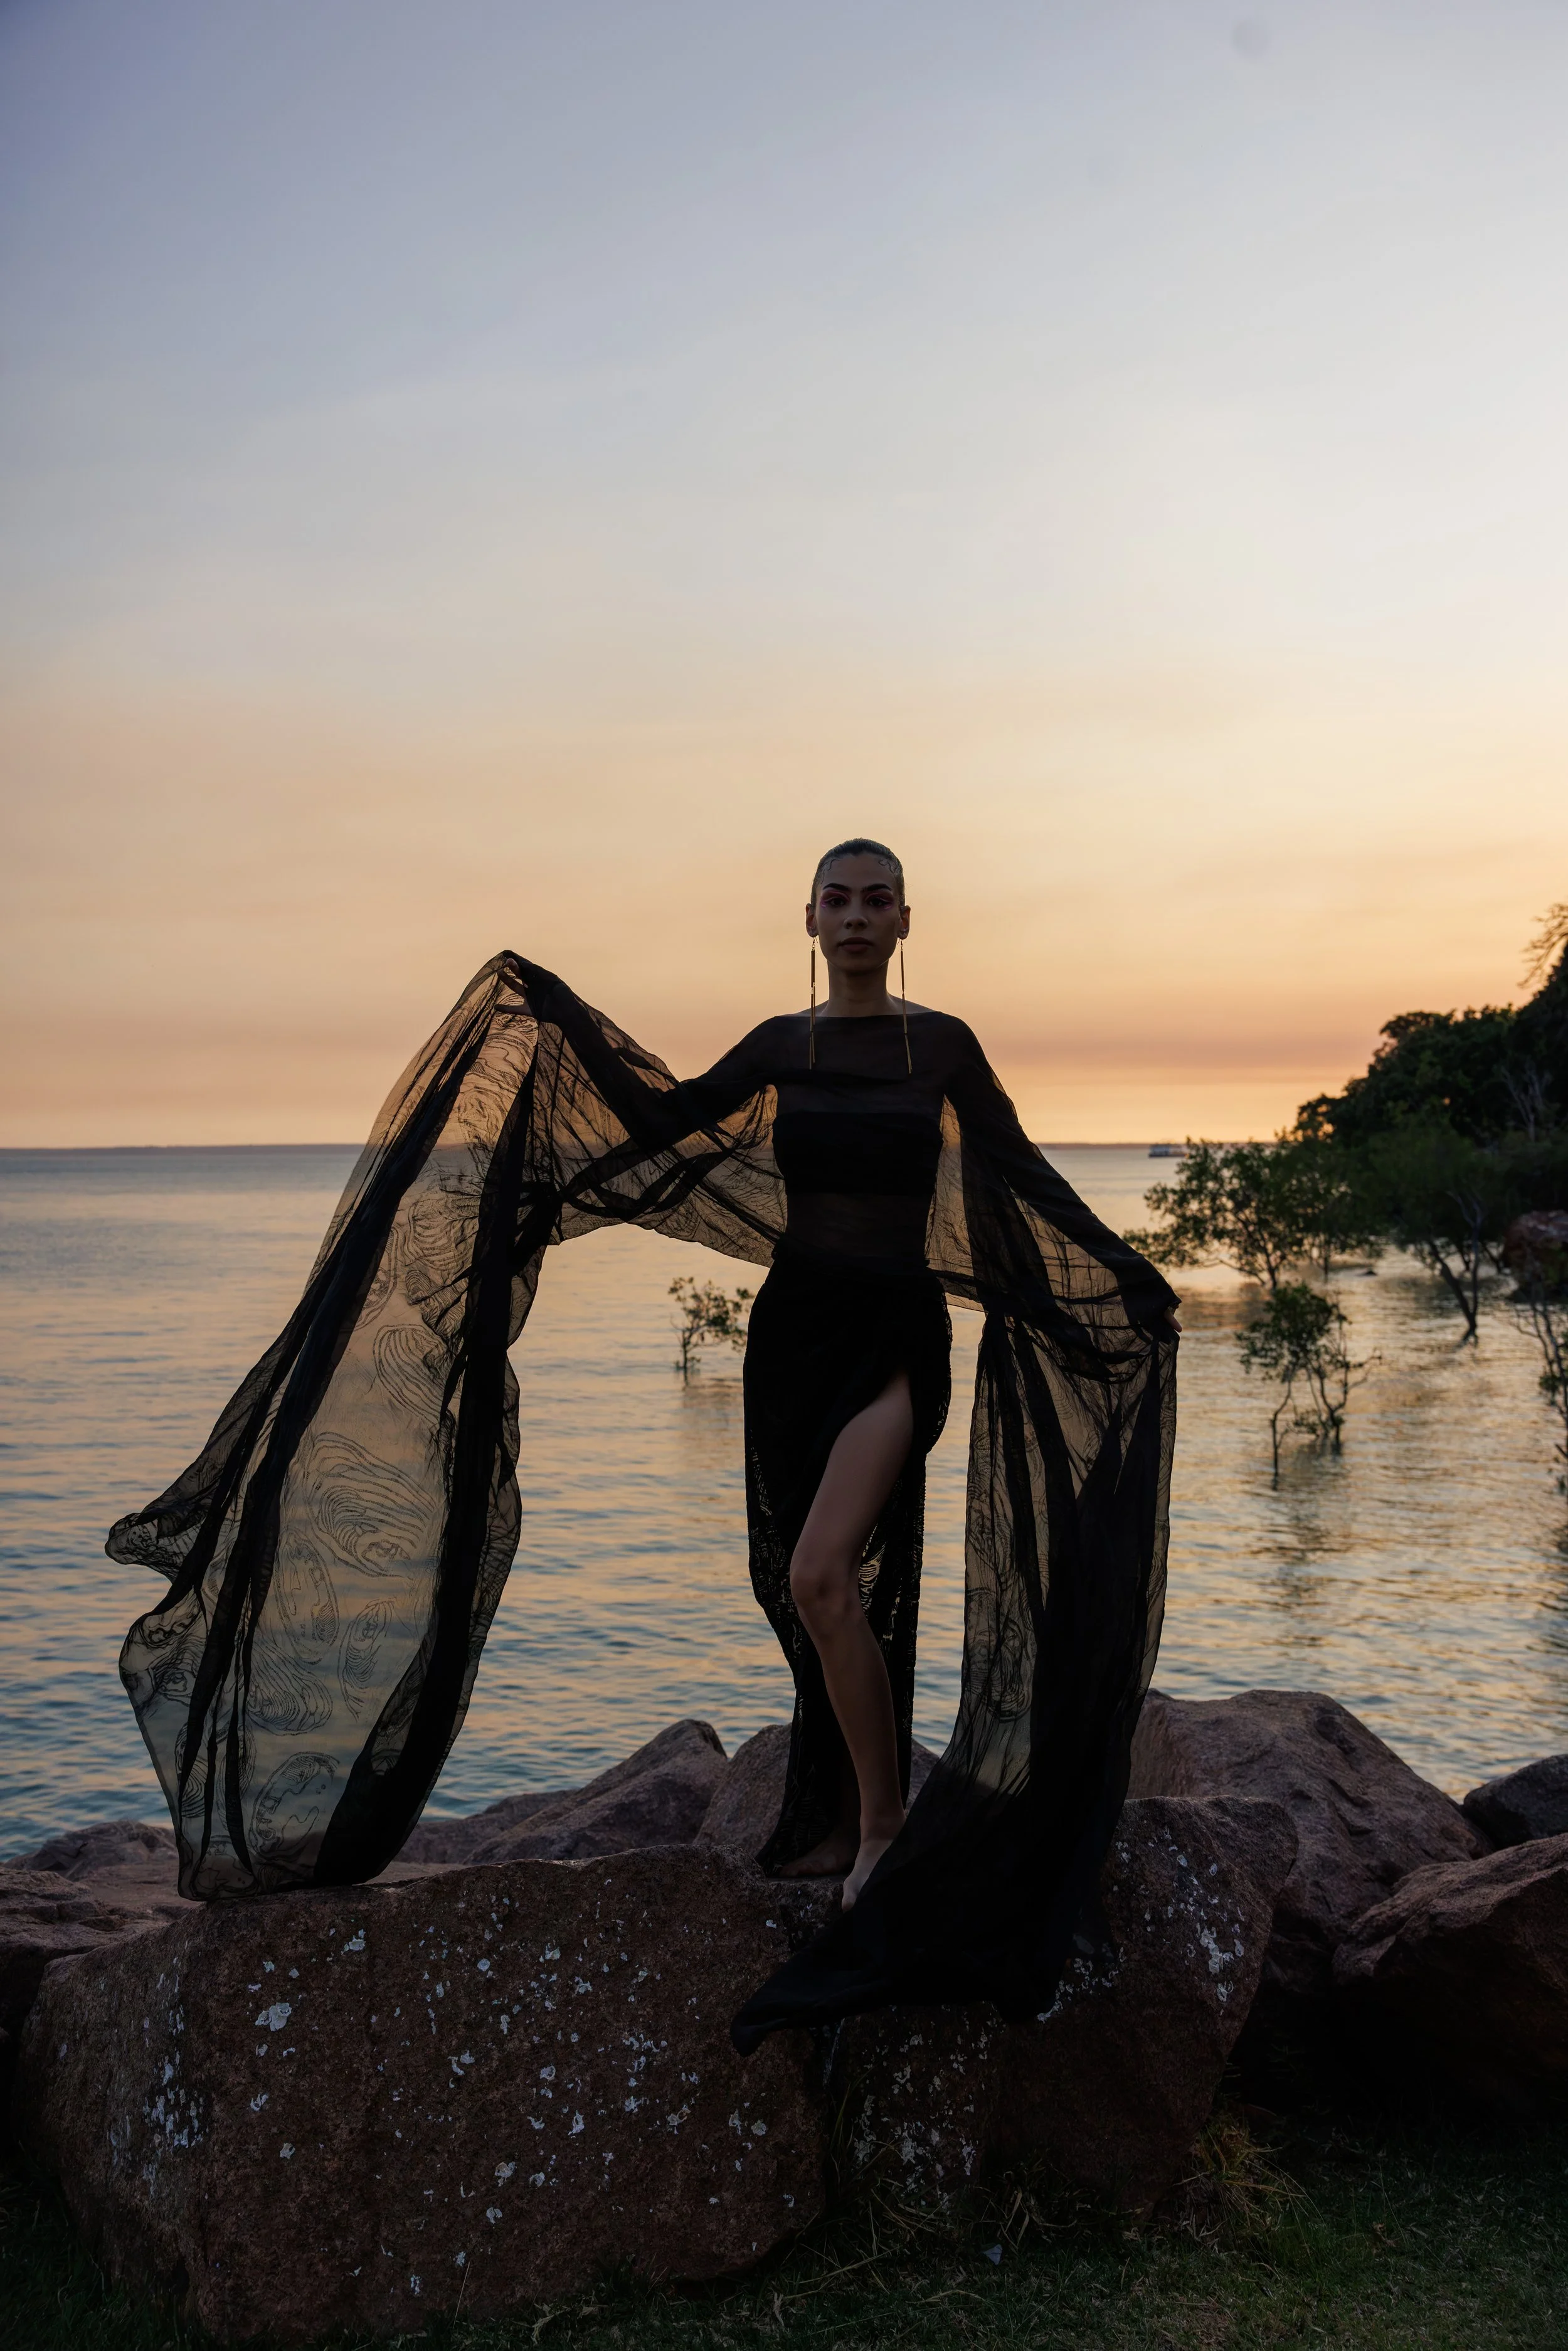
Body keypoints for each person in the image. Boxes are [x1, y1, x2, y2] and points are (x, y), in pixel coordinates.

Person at [110, 837, 1179, 2051]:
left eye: (878, 900)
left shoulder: (945, 1047)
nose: (858, 917)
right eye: (839, 899)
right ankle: (834, 1815)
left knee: (825, 1574)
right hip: (790, 1343)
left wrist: (1127, 1285)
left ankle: (882, 1823)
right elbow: (654, 1130)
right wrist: (534, 1082)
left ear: (907, 918)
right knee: (809, 1594)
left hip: (894, 1340)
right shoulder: (783, 1045)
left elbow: (1023, 1180)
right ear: (811, 917)